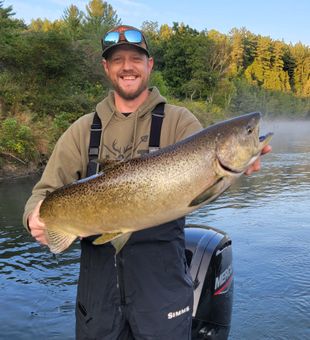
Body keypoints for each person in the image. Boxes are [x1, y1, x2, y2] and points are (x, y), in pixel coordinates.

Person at [23, 25, 271, 339]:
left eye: (136, 59)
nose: (127, 66)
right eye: (118, 60)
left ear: (149, 65)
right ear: (107, 68)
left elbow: (203, 191)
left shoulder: (180, 123)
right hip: (97, 302)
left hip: (163, 296)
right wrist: (35, 218)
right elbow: (41, 195)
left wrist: (243, 166)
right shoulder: (82, 131)